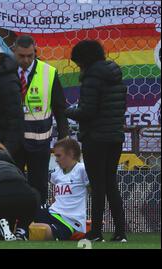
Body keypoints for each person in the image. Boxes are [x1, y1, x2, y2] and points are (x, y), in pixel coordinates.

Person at [66, 40, 128, 242]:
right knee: (111, 184)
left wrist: (65, 111)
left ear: (85, 60)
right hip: (115, 137)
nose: (78, 67)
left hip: (95, 138)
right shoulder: (114, 74)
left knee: (98, 186)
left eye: (78, 63)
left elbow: (87, 112)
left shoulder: (92, 77)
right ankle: (120, 233)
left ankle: (97, 233)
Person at [12, 35, 69, 207]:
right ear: (14, 52)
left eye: (30, 55)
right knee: (13, 182)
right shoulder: (4, 71)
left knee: (39, 184)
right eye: (21, 56)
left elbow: (60, 108)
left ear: (35, 52)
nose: (26, 60)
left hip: (39, 140)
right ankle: (14, 222)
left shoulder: (49, 72)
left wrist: (64, 136)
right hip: (12, 141)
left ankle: (38, 221)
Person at [32, 138, 89, 241]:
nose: (56, 159)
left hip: (69, 221)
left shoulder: (82, 169)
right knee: (27, 210)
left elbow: (95, 192)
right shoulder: (56, 173)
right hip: (52, 213)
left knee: (43, 231)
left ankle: (17, 231)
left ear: (71, 154)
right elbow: (56, 196)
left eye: (58, 155)